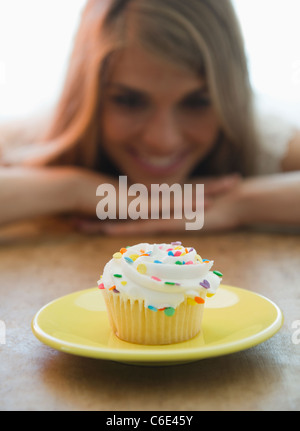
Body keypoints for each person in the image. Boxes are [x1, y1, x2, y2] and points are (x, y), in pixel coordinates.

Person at [0, 0, 299, 235]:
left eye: (197, 102)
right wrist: (75, 189)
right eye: (129, 101)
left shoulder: (264, 139)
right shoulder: (35, 137)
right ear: (89, 96)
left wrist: (237, 204)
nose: (162, 140)